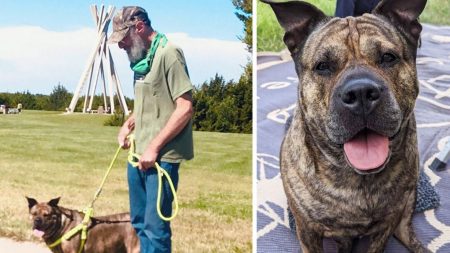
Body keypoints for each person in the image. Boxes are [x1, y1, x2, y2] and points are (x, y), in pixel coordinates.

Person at [109, 6, 194, 253]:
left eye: (123, 39)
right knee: (138, 223)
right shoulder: (139, 60)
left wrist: (154, 148)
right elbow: (146, 103)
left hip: (161, 159)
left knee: (156, 228)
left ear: (139, 27)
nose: (121, 46)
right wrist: (127, 125)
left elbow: (185, 107)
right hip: (138, 155)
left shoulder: (170, 54)